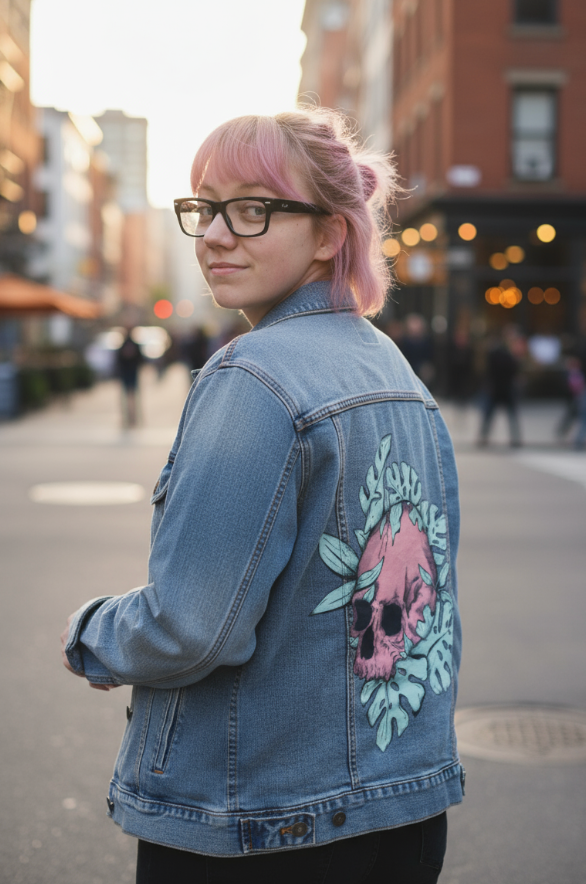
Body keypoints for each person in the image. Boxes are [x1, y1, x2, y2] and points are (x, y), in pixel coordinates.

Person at [61, 108, 463, 883]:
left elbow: (189, 628)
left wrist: (88, 634)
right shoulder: (397, 373)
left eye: (253, 210)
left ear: (327, 233)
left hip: (260, 827)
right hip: (405, 813)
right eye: (204, 207)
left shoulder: (254, 377)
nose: (214, 234)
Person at [477, 326, 523, 447]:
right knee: (489, 415)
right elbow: (495, 368)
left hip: (507, 389)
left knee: (511, 415)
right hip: (497, 388)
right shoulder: (498, 351)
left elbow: (517, 371)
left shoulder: (513, 352)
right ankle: (483, 437)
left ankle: (515, 438)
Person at [115, 328, 143, 427]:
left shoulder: (122, 345)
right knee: (133, 396)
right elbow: (141, 359)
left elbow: (118, 360)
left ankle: (128, 417)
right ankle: (133, 417)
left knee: (126, 396)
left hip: (126, 373)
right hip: (132, 372)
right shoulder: (135, 345)